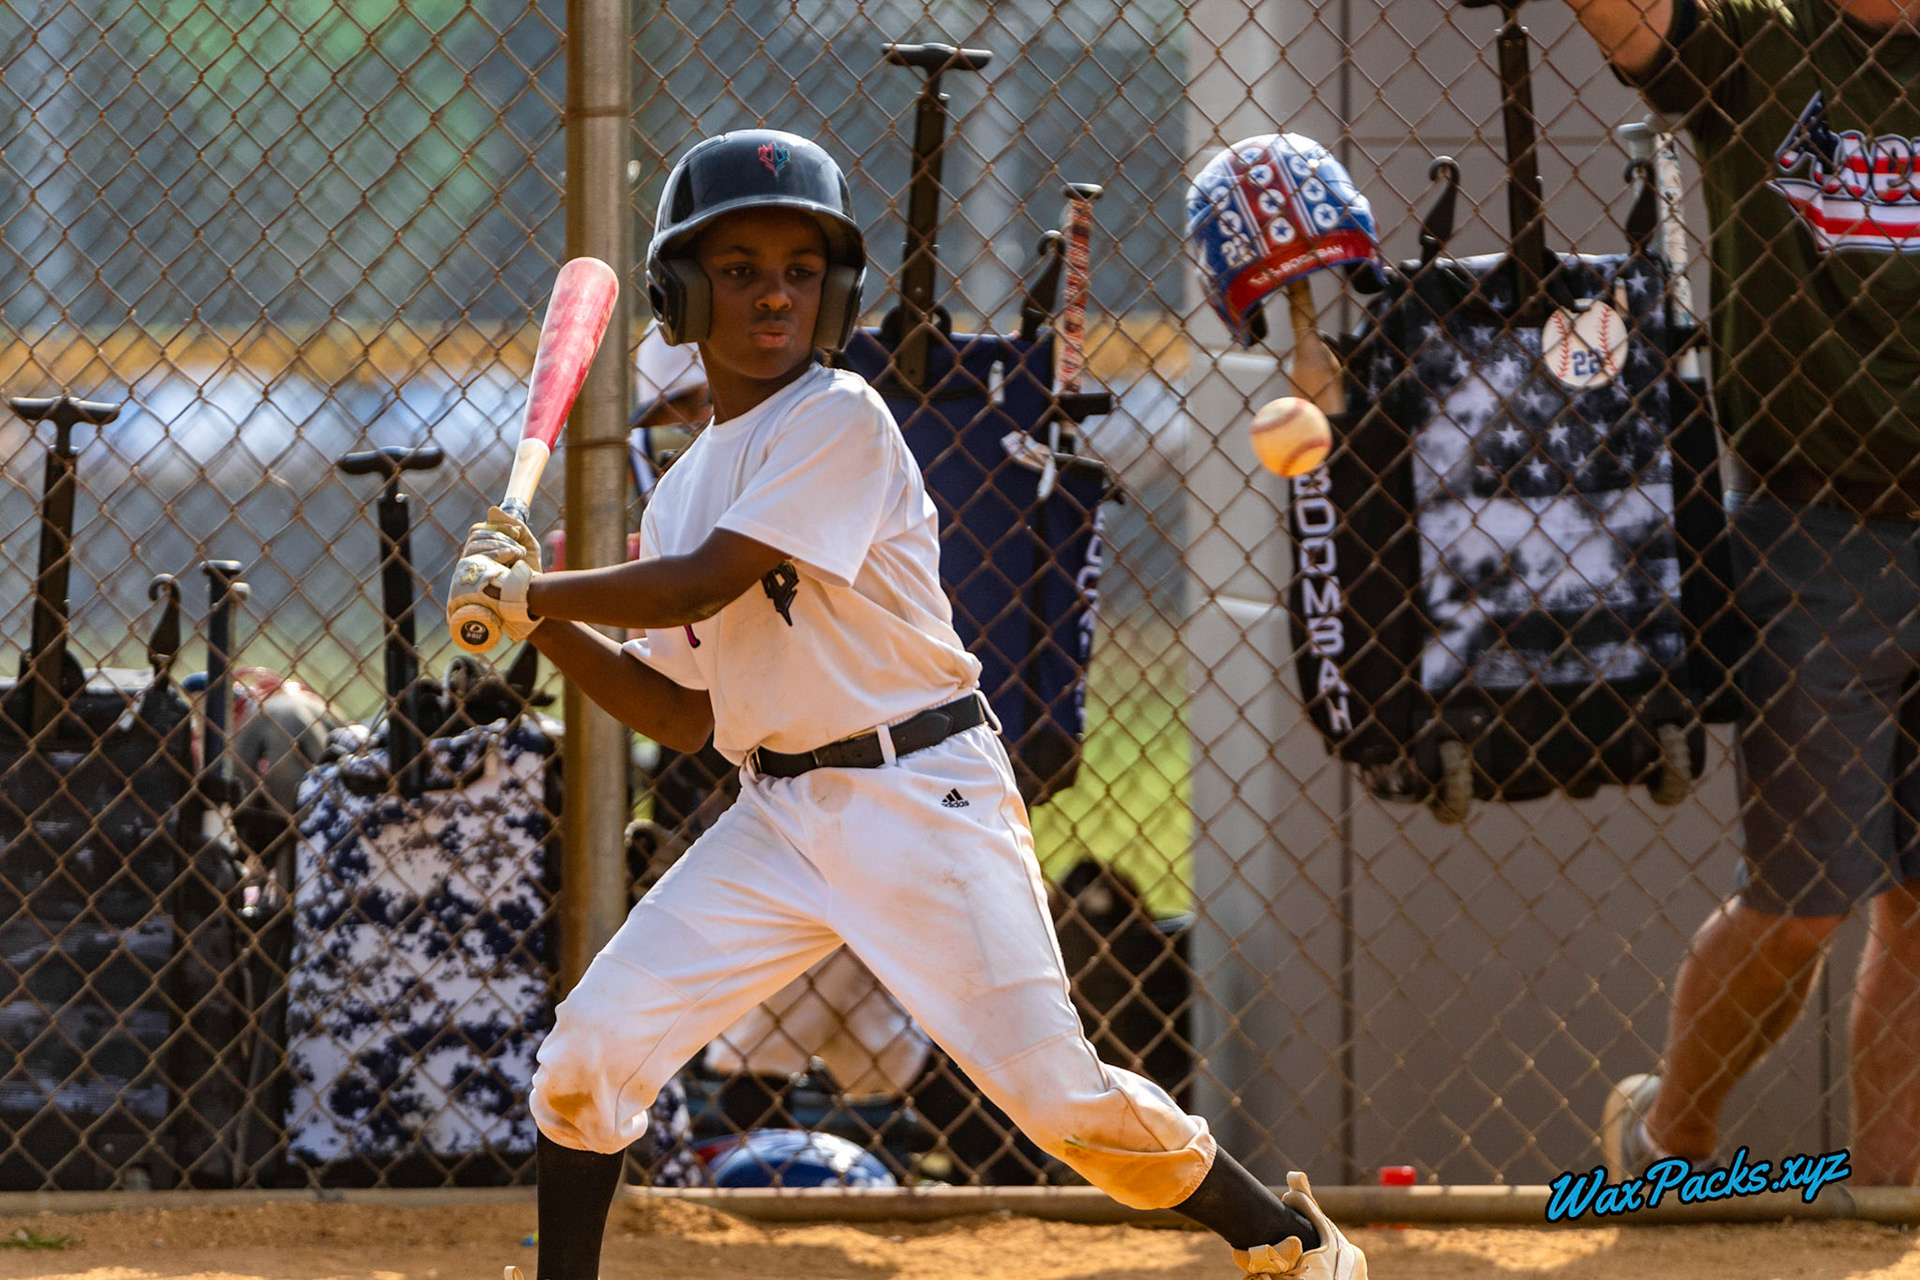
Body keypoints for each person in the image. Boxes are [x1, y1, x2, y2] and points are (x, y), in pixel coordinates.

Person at [448, 128, 1365, 1280]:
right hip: (776, 814)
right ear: (681, 292)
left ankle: (1288, 1241)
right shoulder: (678, 494)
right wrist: (547, 624)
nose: (773, 293)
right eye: (737, 269)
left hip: (920, 794)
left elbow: (705, 583)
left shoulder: (840, 419)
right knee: (586, 1053)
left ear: (835, 297)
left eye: (799, 269)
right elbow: (685, 714)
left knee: (1065, 1103)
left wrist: (528, 590)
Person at [1560, 0, 1920, 1183]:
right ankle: (1671, 1133)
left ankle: (1886, 1212)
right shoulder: (1764, 41)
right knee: (1802, 906)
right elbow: (1633, 26)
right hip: (1816, 522)